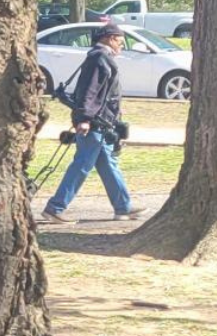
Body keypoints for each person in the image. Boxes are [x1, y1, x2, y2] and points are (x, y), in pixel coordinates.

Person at [42, 21, 144, 224]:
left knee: (108, 165)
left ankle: (123, 207)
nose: (121, 47)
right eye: (120, 42)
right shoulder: (100, 59)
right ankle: (55, 208)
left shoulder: (99, 58)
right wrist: (85, 119)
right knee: (82, 165)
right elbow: (90, 91)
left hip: (102, 122)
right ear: (110, 39)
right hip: (95, 122)